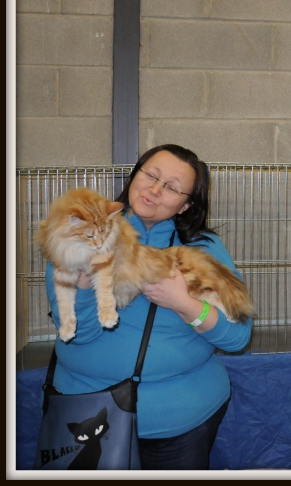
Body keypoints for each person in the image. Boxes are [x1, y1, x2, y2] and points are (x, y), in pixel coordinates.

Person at [45, 144, 252, 470]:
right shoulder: (84, 230)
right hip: (87, 413)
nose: (154, 190)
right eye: (151, 176)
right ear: (134, 175)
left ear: (186, 205)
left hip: (182, 419)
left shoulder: (205, 247)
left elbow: (238, 337)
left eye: (171, 187)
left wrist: (183, 303)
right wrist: (84, 281)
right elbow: (78, 335)